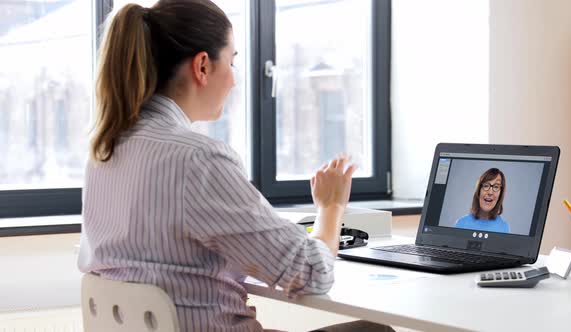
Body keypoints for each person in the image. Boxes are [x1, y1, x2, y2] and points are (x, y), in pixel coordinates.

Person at [77, 1, 393, 331]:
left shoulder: (104, 150)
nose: (234, 80)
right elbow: (313, 273)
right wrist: (331, 208)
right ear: (202, 66)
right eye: (232, 61)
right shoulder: (198, 160)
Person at [454, 168, 510, 233]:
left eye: (496, 187)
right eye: (486, 186)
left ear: (500, 194)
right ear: (478, 191)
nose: (490, 192)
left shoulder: (504, 228)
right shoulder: (461, 224)